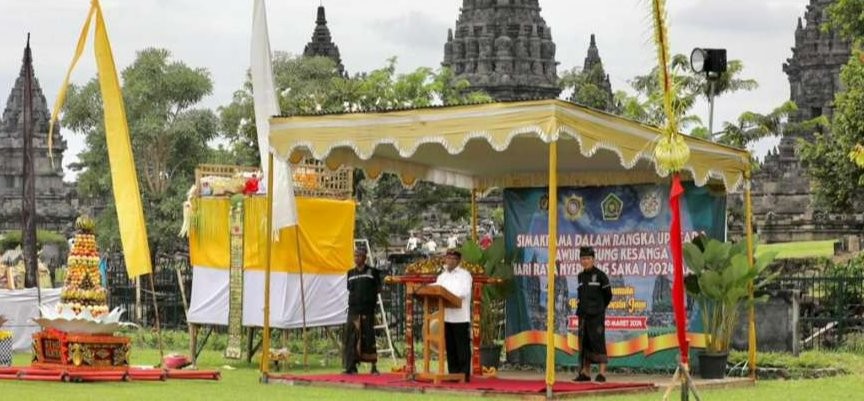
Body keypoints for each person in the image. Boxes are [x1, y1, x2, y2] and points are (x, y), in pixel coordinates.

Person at [433, 249, 473, 382]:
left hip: (460, 317)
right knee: (450, 346)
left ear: (458, 261)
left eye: (452, 258)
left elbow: (464, 291)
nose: (449, 261)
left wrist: (447, 294)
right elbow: (436, 288)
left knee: (462, 346)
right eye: (447, 258)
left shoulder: (465, 275)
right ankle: (453, 372)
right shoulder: (442, 276)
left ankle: (463, 374)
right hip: (446, 316)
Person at [573, 246, 613, 382]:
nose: (585, 261)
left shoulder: (601, 275)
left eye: (588, 259)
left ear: (593, 259)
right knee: (584, 344)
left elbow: (608, 295)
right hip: (583, 315)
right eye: (583, 259)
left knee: (598, 343)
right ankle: (586, 373)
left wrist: (600, 308)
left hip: (596, 316)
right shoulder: (580, 276)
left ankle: (602, 374)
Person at [343, 248, 382, 375]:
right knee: (351, 337)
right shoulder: (350, 273)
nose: (356, 258)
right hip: (353, 310)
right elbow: (349, 290)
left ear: (364, 257)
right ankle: (351, 366)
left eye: (359, 256)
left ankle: (373, 366)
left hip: (367, 310)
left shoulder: (372, 272)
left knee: (369, 337)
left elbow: (378, 289)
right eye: (354, 256)